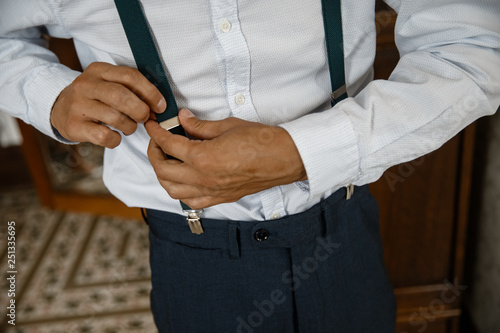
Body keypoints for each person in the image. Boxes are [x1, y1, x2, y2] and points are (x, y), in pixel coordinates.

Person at [1, 0, 499, 332]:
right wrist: (50, 96)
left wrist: (301, 153)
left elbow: (477, 44)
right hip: (191, 259)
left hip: (343, 236)